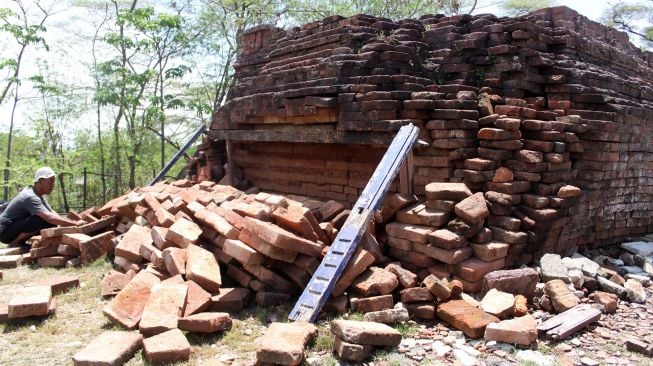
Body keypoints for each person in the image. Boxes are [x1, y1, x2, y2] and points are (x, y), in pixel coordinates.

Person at [0, 167, 84, 246]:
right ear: (40, 182)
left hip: (13, 228)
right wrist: (75, 224)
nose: (52, 185)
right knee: (40, 219)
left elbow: (51, 212)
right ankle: (15, 243)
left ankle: (39, 243)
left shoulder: (39, 195)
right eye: (50, 182)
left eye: (53, 182)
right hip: (5, 232)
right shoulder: (30, 196)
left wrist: (65, 225)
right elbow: (50, 217)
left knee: (51, 224)